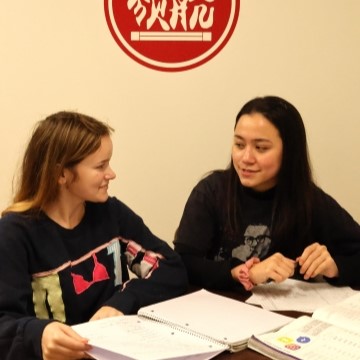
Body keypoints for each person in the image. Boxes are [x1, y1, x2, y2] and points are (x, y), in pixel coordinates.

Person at [0, 111, 188, 360]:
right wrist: (40, 335)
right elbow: (4, 324)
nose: (111, 174)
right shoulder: (13, 233)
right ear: (61, 174)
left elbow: (171, 268)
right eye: (100, 166)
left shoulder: (110, 213)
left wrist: (121, 302)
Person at [174, 96, 360, 292]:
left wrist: (335, 267)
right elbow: (183, 264)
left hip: (287, 317)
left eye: (261, 148)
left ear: (289, 152)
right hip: (217, 312)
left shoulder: (308, 199)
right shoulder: (212, 191)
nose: (246, 158)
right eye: (239, 145)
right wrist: (246, 273)